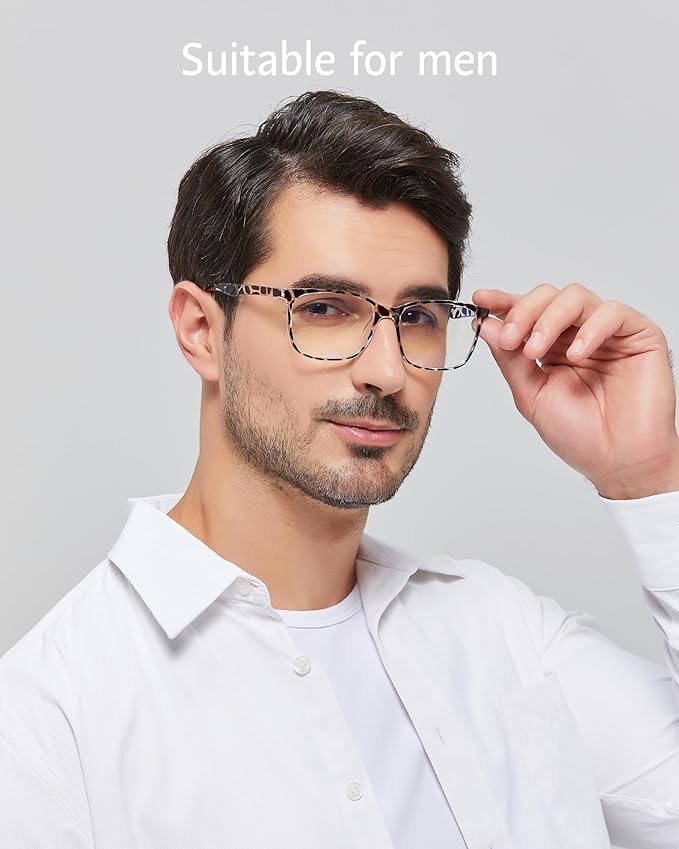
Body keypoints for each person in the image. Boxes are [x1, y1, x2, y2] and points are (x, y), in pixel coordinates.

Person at [1, 89, 677, 848]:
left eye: (417, 316)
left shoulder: (503, 631)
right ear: (201, 330)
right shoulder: (50, 715)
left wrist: (648, 477)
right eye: (324, 307)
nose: (387, 370)